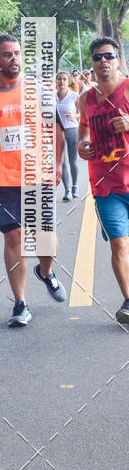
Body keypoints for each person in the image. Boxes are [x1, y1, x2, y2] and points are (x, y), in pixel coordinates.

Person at [0, 35, 67, 327]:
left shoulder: (37, 90)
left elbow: (59, 131)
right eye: (7, 55)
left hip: (37, 175)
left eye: (16, 53)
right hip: (2, 179)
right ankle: (20, 303)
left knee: (45, 239)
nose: (14, 59)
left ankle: (46, 272)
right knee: (14, 236)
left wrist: (58, 164)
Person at [77, 37, 129, 324]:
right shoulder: (86, 98)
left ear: (117, 60)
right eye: (98, 57)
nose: (103, 61)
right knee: (119, 244)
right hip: (105, 186)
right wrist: (81, 144)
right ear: (92, 64)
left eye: (108, 56)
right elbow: (83, 129)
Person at [55, 71, 80, 201]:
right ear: (56, 81)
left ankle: (75, 186)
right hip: (58, 131)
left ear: (68, 81)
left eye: (64, 79)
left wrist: (75, 116)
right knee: (62, 162)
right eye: (59, 79)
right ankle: (67, 190)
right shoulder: (52, 97)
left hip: (72, 129)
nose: (62, 81)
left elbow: (82, 112)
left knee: (72, 160)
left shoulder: (74, 95)